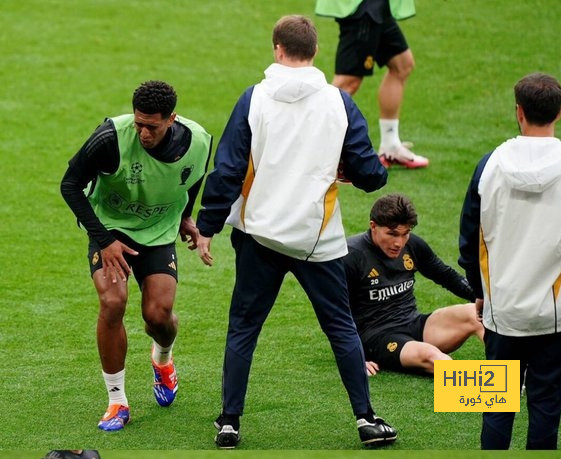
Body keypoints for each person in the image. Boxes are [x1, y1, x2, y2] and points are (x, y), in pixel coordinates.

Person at [196, 15, 396, 449]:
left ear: (276, 48)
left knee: (244, 327)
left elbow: (228, 169)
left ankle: (230, 421)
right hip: (317, 240)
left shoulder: (254, 99)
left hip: (259, 236)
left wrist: (207, 226)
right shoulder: (339, 102)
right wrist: (370, 174)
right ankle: (366, 420)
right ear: (316, 52)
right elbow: (367, 172)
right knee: (341, 327)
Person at [60, 80, 212, 431]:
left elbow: (191, 179)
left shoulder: (199, 140)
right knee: (113, 302)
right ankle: (117, 402)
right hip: (110, 229)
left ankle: (163, 359)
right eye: (138, 122)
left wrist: (187, 215)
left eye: (152, 126)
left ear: (171, 119)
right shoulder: (110, 138)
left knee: (158, 316)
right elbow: (69, 185)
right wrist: (104, 240)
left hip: (158, 231)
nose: (142, 132)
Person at [458, 73, 561, 450]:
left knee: (495, 406)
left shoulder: (489, 165)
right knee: (546, 410)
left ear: (519, 112)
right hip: (558, 317)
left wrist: (479, 293)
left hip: (502, 311)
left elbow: (469, 238)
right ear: (559, 112)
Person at [345, 193, 483, 375]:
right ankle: (502, 390)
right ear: (373, 226)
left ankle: (518, 370)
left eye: (405, 234)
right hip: (377, 337)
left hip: (415, 324)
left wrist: (481, 297)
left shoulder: (413, 246)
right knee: (433, 356)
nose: (399, 243)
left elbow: (446, 276)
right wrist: (353, 356)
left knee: (476, 313)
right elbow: (334, 311)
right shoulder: (352, 255)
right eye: (392, 234)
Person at [325, 0, 428, 169]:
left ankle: (390, 145)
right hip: (362, 7)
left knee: (402, 65)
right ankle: (308, 145)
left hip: (379, 5)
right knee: (348, 82)